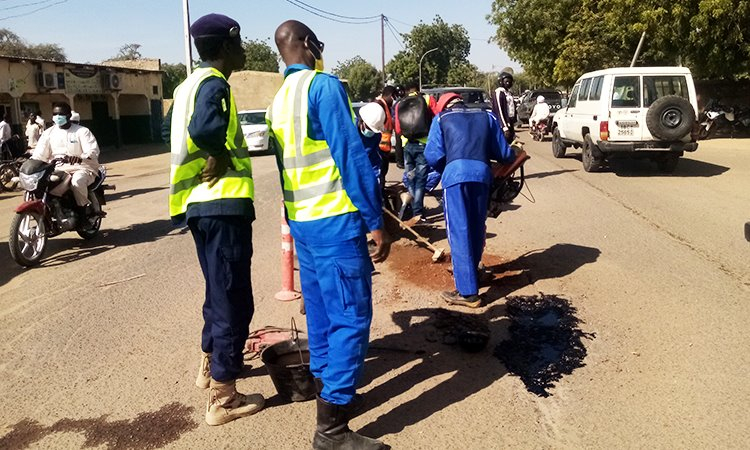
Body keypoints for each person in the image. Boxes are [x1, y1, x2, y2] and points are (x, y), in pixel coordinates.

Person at [268, 19, 390, 450]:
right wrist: (376, 220)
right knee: (351, 318)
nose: (319, 47)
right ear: (304, 44)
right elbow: (351, 155)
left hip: (303, 223)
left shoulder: (279, 99)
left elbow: (286, 170)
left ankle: (323, 384)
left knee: (320, 313)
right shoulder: (323, 87)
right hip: (335, 222)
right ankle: (332, 428)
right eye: (315, 41)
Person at [165, 13, 264, 426]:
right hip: (222, 204)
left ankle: (210, 364)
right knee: (233, 299)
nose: (242, 51)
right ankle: (224, 397)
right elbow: (204, 128)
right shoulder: (213, 83)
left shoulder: (185, 85)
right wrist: (219, 153)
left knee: (217, 291)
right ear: (225, 47)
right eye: (238, 45)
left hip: (198, 206)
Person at [425, 93, 514, 308]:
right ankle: (473, 273)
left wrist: (449, 168)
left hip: (455, 178)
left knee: (459, 231)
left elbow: (432, 155)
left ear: (444, 106)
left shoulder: (441, 119)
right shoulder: (487, 117)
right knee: (476, 227)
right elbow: (504, 153)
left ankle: (468, 293)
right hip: (482, 176)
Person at [31, 103, 100, 215]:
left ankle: (83, 214)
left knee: (77, 182)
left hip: (82, 167)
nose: (57, 117)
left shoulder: (82, 131)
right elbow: (39, 154)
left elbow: (92, 151)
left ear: (68, 116)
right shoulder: (48, 133)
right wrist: (31, 162)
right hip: (58, 168)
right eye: (55, 114)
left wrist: (79, 157)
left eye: (61, 114)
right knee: (41, 183)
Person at [396, 83, 434, 225]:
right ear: (418, 89)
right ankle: (418, 212)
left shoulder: (400, 103)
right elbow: (436, 118)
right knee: (421, 181)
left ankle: (412, 207)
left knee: (410, 178)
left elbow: (398, 129)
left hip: (407, 146)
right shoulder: (427, 99)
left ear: (406, 90)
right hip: (423, 145)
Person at [357, 102, 386, 193]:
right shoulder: (349, 132)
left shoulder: (376, 136)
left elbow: (374, 159)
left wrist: (376, 178)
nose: (370, 132)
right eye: (369, 128)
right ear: (362, 121)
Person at [374, 86, 396, 186]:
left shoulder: (384, 105)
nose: (394, 101)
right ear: (391, 96)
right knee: (380, 173)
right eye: (394, 98)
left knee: (383, 173)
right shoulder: (379, 105)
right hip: (380, 147)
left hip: (384, 147)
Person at [491, 72, 516, 142]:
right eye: (506, 81)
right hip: (502, 124)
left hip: (509, 122)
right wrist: (504, 126)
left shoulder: (508, 93)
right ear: (501, 82)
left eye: (510, 82)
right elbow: (499, 110)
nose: (508, 83)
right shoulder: (499, 93)